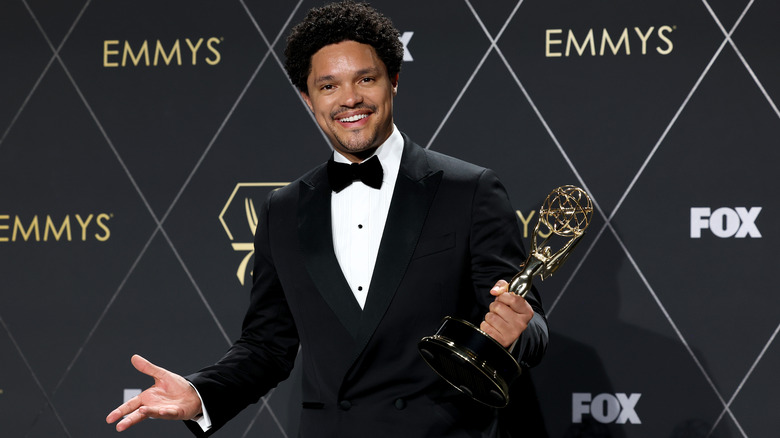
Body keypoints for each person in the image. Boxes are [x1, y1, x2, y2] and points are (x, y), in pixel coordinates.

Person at [105, 2, 548, 437]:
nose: (350, 98)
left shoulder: (468, 190)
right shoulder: (285, 209)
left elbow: (529, 323)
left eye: (366, 79)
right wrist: (202, 395)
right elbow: (267, 346)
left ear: (393, 81)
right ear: (308, 98)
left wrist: (515, 333)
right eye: (328, 86)